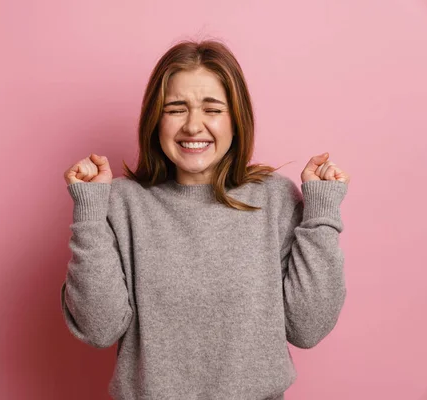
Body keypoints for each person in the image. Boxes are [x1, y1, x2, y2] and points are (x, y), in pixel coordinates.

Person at [60, 39, 351, 400]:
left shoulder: (275, 198)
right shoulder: (121, 202)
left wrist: (321, 212)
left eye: (212, 109)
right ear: (155, 118)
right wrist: (90, 213)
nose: (193, 126)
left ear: (236, 119)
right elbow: (99, 328)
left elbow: (307, 328)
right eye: (176, 108)